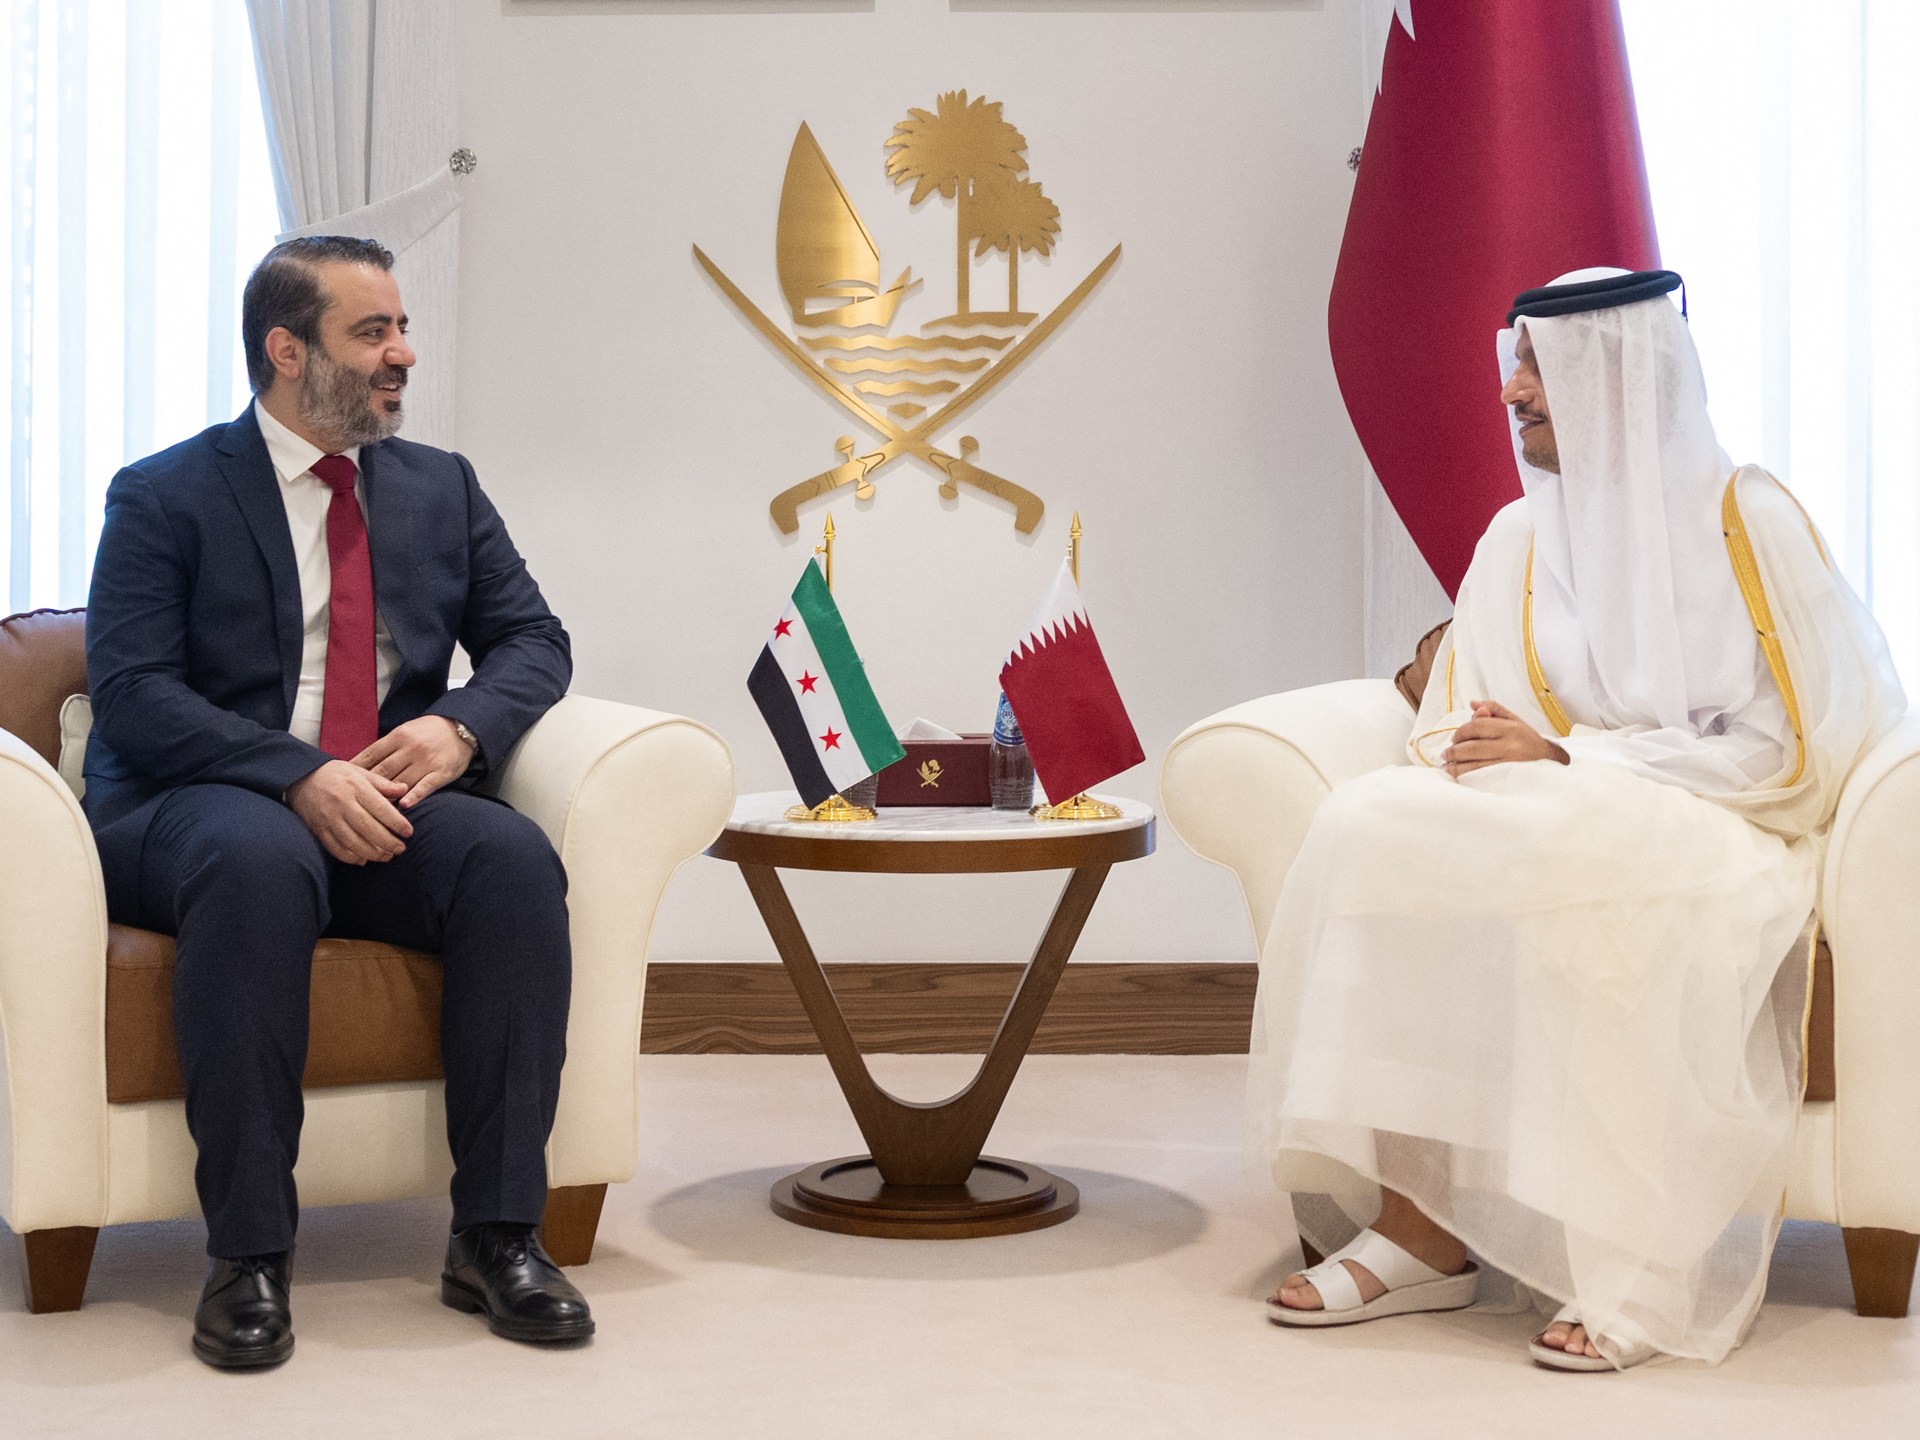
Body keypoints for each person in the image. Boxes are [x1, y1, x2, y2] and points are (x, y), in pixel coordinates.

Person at [1250, 268, 1904, 1369]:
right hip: (1551, 808)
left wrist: (1573, 758)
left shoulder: (1749, 521)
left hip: (1718, 822)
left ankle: (1638, 1266)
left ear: (1617, 375)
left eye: (1538, 369)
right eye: (1516, 365)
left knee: (1586, 857)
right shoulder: (1519, 535)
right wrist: (1482, 751)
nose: (1512, 392)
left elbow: (1796, 745)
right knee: (1373, 824)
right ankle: (1420, 1233)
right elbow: (1460, 709)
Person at [84, 236, 590, 1369]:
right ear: (287, 350)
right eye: (372, 332)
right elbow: (133, 694)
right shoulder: (164, 493)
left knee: (511, 861)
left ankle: (498, 1236)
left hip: (382, 794)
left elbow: (532, 640)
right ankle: (248, 1255)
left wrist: (460, 727)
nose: (402, 353)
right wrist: (295, 772)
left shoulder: (440, 486)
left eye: (402, 329)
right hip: (201, 801)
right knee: (259, 860)